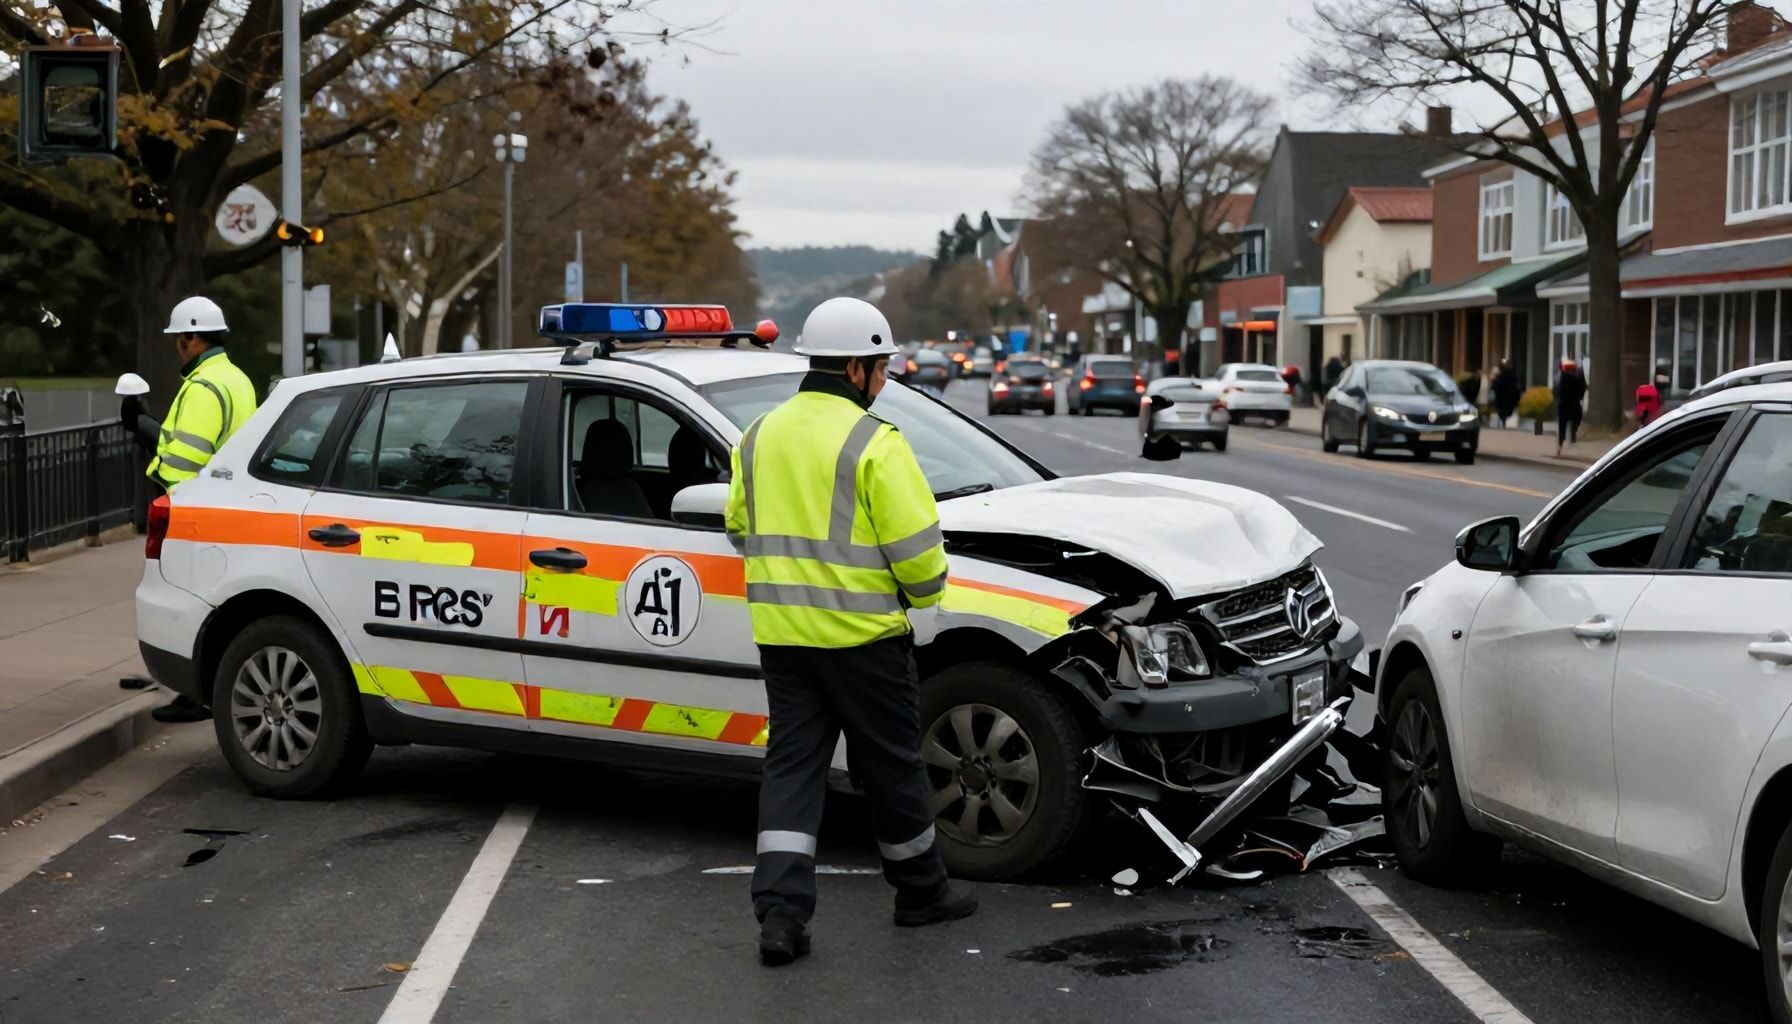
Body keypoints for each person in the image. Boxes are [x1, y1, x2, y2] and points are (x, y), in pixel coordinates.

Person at [726, 297, 977, 967]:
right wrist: (923, 596)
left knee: (792, 768)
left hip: (784, 639)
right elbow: (917, 554)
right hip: (865, 639)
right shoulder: (875, 442)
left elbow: (739, 526)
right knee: (892, 765)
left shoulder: (759, 435)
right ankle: (921, 891)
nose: (885, 380)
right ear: (856, 369)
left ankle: (781, 916)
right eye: (882, 367)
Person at [121, 295, 258, 722]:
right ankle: (202, 687)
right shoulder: (237, 379)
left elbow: (183, 463)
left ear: (190, 339)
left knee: (188, 602)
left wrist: (146, 434)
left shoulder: (202, 386)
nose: (176, 347)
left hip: (196, 511)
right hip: (230, 504)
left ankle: (192, 692)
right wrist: (152, 428)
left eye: (177, 339)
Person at [1553, 359, 1587, 456]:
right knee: (1575, 421)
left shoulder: (1561, 377)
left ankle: (1561, 444)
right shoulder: (1577, 377)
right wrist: (1579, 397)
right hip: (1574, 403)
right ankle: (1571, 438)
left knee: (1562, 426)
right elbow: (1582, 388)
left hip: (1563, 404)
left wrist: (1558, 398)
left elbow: (1556, 390)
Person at [1490, 358, 1520, 429]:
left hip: (1505, 398)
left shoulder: (1505, 376)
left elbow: (1495, 386)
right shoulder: (1506, 376)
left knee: (1503, 410)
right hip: (1506, 398)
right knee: (1504, 410)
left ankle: (1504, 422)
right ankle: (1503, 422)